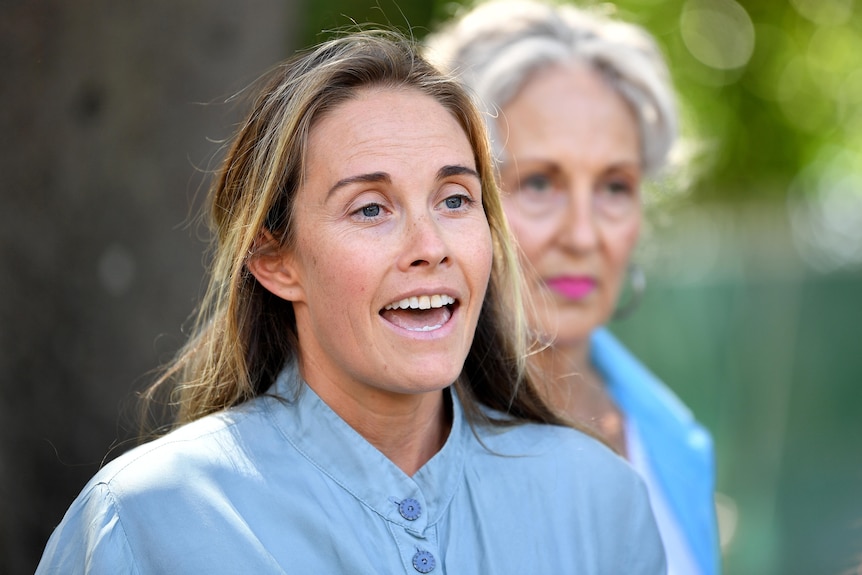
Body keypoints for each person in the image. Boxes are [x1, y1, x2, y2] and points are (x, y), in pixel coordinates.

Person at [36, 30, 666, 573]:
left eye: (455, 200)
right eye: (371, 208)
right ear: (274, 261)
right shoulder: (147, 521)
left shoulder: (602, 503)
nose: (431, 247)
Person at [425, 2, 719, 574]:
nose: (583, 234)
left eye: (614, 186)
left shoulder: (673, 440)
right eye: (538, 182)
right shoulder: (406, 448)